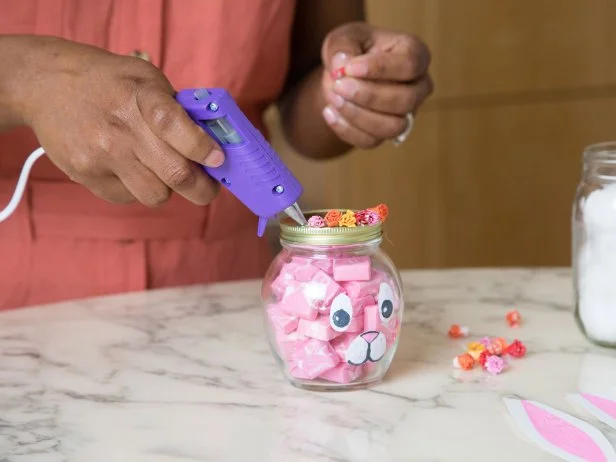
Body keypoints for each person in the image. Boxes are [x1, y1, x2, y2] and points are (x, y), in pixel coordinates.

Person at [0, 0, 433, 310]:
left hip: (229, 287)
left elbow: (304, 101)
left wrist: (349, 91)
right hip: (22, 295)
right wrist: (26, 78)